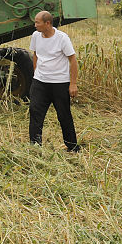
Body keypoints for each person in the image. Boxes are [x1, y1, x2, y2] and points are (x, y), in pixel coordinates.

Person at [28, 10, 81, 152]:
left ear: (48, 23)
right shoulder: (35, 36)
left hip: (59, 83)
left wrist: (73, 83)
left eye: (37, 22)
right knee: (35, 113)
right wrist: (36, 74)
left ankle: (72, 146)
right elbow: (35, 55)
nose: (35, 25)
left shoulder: (62, 38)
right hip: (40, 83)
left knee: (64, 115)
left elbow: (73, 60)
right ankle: (35, 147)